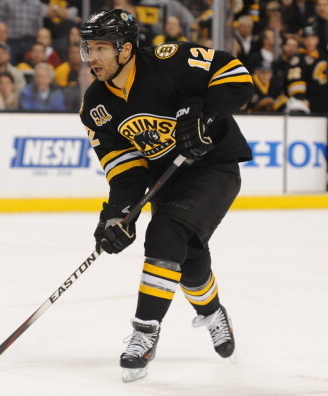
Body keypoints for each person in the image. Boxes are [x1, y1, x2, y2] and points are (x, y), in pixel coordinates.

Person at [79, 9, 253, 382]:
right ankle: (212, 311)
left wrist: (202, 114)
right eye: (88, 49)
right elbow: (125, 172)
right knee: (187, 255)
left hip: (214, 166)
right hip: (168, 179)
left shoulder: (168, 62)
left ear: (125, 49)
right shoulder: (95, 108)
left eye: (100, 49)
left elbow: (237, 75)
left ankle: (144, 332)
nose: (92, 58)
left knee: (165, 234)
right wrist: (117, 216)